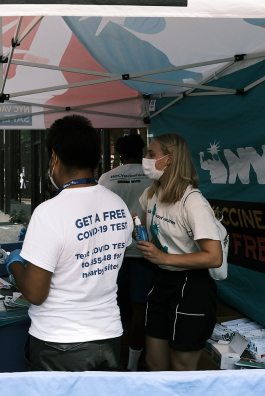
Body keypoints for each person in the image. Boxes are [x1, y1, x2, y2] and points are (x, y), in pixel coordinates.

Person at [7, 115, 134, 372]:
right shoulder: (118, 206)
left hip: (60, 341)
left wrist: (15, 263)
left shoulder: (49, 212)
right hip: (108, 336)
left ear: (54, 157)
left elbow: (34, 293)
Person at [136, 133, 223, 372]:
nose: (146, 158)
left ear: (170, 159)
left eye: (151, 154)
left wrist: (163, 257)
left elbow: (214, 257)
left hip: (192, 286)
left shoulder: (192, 202)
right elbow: (149, 232)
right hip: (161, 280)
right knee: (154, 362)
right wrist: (141, 239)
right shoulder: (151, 194)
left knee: (181, 369)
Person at [98, 133, 153, 371]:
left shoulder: (106, 179)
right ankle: (132, 365)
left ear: (119, 155)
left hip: (114, 255)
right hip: (146, 254)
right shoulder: (153, 177)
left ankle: (112, 359)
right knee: (140, 310)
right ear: (142, 152)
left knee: (114, 308)